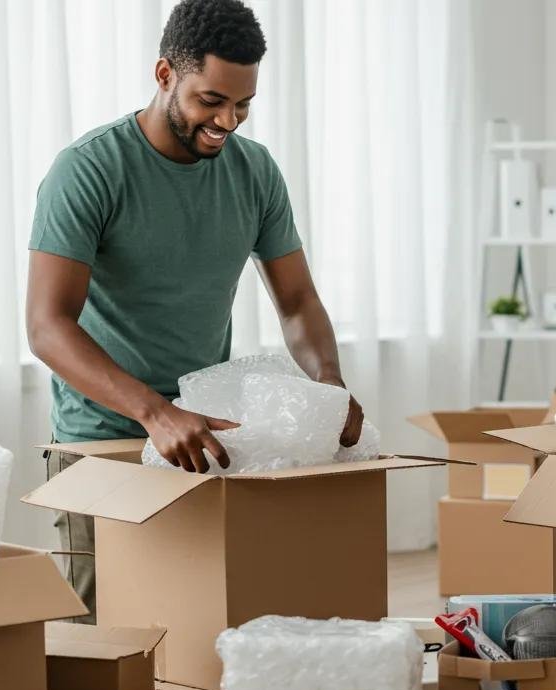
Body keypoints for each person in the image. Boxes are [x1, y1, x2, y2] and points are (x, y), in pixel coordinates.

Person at [26, 0, 361, 622]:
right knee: (93, 634)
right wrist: (155, 412)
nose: (228, 121)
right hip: (103, 442)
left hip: (202, 439)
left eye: (242, 105)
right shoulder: (89, 169)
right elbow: (47, 327)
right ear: (164, 75)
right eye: (211, 101)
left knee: (191, 625)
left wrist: (328, 386)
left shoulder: (254, 171)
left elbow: (296, 300)